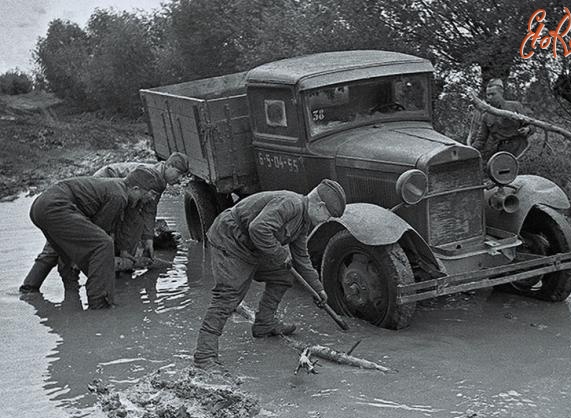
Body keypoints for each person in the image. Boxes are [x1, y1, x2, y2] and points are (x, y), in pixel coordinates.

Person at [193, 179, 347, 369]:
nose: (326, 220)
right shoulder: (291, 204)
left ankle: (265, 322)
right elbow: (258, 228)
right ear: (320, 206)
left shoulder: (303, 222)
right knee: (228, 295)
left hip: (253, 246)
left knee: (283, 275)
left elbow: (301, 257)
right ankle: (204, 355)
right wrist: (281, 253)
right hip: (230, 239)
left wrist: (318, 289)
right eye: (328, 216)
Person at [20, 153, 189, 293]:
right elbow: (127, 215)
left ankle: (79, 284)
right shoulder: (150, 178)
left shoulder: (158, 182)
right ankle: (41, 285)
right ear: (169, 165)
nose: (180, 179)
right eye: (179, 173)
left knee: (121, 231)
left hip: (114, 193)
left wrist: (148, 239)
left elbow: (148, 212)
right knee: (78, 237)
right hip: (104, 186)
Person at [27, 170, 159, 309]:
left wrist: (124, 251)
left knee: (66, 252)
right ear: (135, 189)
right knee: (103, 244)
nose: (151, 198)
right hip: (55, 206)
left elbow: (111, 224)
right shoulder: (118, 196)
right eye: (150, 193)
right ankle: (99, 304)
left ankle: (32, 290)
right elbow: (100, 228)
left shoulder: (118, 188)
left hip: (40, 207)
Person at [471, 78, 533, 161]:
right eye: (488, 95)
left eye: (493, 94)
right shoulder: (486, 116)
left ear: (501, 93)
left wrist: (527, 129)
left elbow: (532, 125)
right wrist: (469, 150)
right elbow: (481, 139)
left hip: (520, 148)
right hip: (501, 150)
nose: (489, 97)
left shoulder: (515, 106)